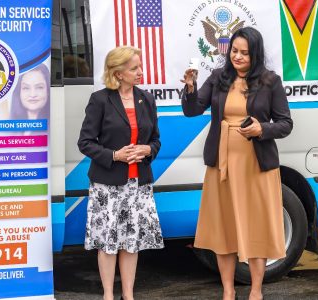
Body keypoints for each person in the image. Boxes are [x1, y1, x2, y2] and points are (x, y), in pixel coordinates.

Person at [181, 27, 293, 300]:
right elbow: (192, 110)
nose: (238, 57)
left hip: (256, 166)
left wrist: (261, 130)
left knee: (256, 227)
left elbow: (285, 123)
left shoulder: (270, 81)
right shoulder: (218, 77)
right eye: (234, 51)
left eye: (244, 52)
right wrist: (191, 88)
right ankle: (228, 291)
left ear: (255, 53)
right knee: (224, 229)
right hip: (222, 166)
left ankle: (256, 290)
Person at [78, 46, 163, 300]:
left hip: (139, 183)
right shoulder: (100, 99)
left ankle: (128, 294)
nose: (140, 72)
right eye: (134, 68)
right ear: (118, 73)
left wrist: (147, 149)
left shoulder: (146, 99)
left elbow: (156, 140)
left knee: (131, 241)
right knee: (108, 242)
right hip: (108, 185)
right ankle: (108, 294)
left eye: (140, 66)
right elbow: (85, 142)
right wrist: (115, 155)